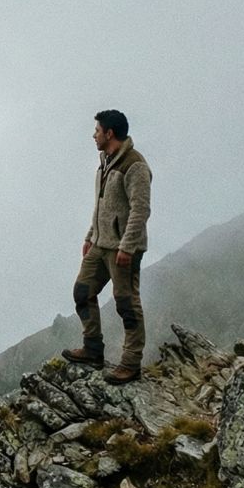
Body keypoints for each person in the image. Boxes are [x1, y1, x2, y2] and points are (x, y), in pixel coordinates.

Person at [62, 109, 152, 384]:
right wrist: (90, 236)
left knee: (127, 304)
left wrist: (127, 246)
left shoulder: (134, 165)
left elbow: (140, 209)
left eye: (97, 131)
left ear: (109, 133)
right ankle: (92, 349)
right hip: (100, 245)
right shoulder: (105, 161)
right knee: (82, 291)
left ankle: (131, 363)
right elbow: (101, 205)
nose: (94, 135)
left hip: (123, 250)